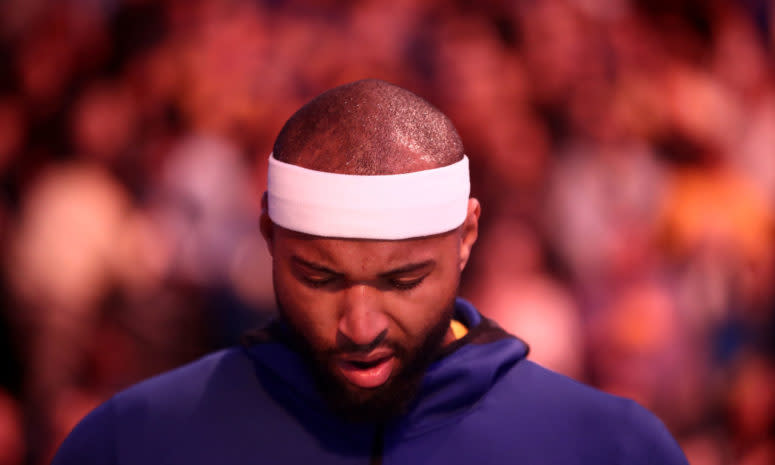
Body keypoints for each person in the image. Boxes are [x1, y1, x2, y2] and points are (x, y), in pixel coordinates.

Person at [52, 79, 688, 464]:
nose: (359, 326)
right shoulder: (131, 447)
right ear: (269, 234)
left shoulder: (613, 453)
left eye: (402, 281)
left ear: (467, 237)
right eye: (320, 279)